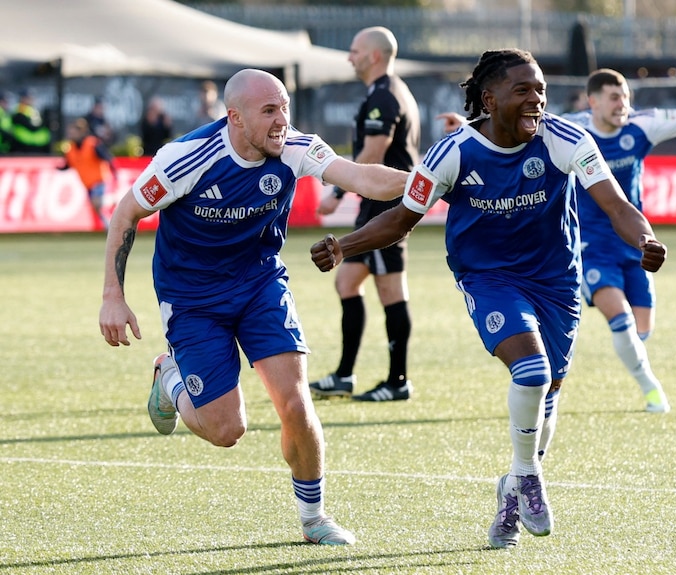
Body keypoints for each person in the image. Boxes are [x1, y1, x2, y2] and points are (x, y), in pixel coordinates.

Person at [310, 49, 667, 549]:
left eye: (540, 90)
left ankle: (512, 487)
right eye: (523, 90)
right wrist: (343, 246)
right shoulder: (453, 152)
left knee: (549, 393)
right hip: (488, 277)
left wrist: (645, 238)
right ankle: (528, 476)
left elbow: (616, 204)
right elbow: (400, 219)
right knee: (532, 372)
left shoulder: (565, 139)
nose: (536, 100)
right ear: (489, 99)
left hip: (556, 281)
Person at [99, 68, 409, 546]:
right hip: (193, 298)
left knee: (295, 402)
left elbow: (362, 176)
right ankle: (169, 376)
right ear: (235, 118)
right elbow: (126, 213)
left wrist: (428, 182)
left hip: (260, 283)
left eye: (285, 107)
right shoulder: (185, 158)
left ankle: (314, 519)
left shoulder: (294, 147)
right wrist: (113, 297)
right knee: (227, 430)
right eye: (269, 111)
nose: (282, 120)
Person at [440, 68, 676, 414]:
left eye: (626, 97)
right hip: (590, 247)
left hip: (633, 241)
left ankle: (617, 376)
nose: (623, 105)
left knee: (641, 329)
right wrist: (466, 126)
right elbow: (510, 121)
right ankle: (651, 390)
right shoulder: (571, 129)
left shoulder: (642, 126)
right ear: (593, 102)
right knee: (621, 319)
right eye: (615, 98)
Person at [310, 26, 420, 402]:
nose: (349, 57)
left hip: (387, 208)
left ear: (374, 56)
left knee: (391, 290)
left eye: (355, 51)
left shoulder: (384, 95)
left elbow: (373, 153)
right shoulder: (388, 91)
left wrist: (338, 191)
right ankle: (344, 375)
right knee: (347, 282)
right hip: (377, 203)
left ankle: (397, 381)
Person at [58, 117, 117, 230]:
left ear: (81, 132)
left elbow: (107, 157)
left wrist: (114, 169)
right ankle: (109, 226)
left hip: (100, 180)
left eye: (73, 132)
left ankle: (113, 200)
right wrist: (58, 168)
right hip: (87, 184)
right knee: (96, 208)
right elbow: (68, 165)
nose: (71, 135)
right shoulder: (71, 149)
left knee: (97, 203)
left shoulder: (92, 143)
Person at [9, 89, 51, 154]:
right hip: (23, 145)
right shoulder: (20, 110)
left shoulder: (33, 109)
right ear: (22, 98)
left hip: (38, 145)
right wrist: (44, 123)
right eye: (28, 97)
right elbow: (32, 126)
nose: (31, 99)